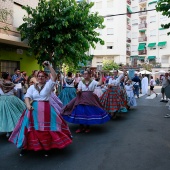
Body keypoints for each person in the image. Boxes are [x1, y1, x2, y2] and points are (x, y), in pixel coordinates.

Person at [9, 61, 72, 156]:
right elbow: (27, 97)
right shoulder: (32, 87)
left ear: (46, 78)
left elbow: (54, 76)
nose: (40, 78)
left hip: (46, 109)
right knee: (29, 129)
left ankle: (46, 147)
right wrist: (28, 105)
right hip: (32, 110)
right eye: (39, 76)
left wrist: (49, 66)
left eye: (42, 76)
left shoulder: (48, 85)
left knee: (46, 129)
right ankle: (25, 147)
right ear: (36, 77)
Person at [0, 72, 26, 138]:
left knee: (4, 116)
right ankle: (13, 130)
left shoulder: (1, 83)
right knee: (15, 114)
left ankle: (8, 131)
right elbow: (15, 91)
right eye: (9, 75)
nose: (10, 76)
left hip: (2, 99)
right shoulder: (11, 84)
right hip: (11, 99)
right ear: (7, 76)